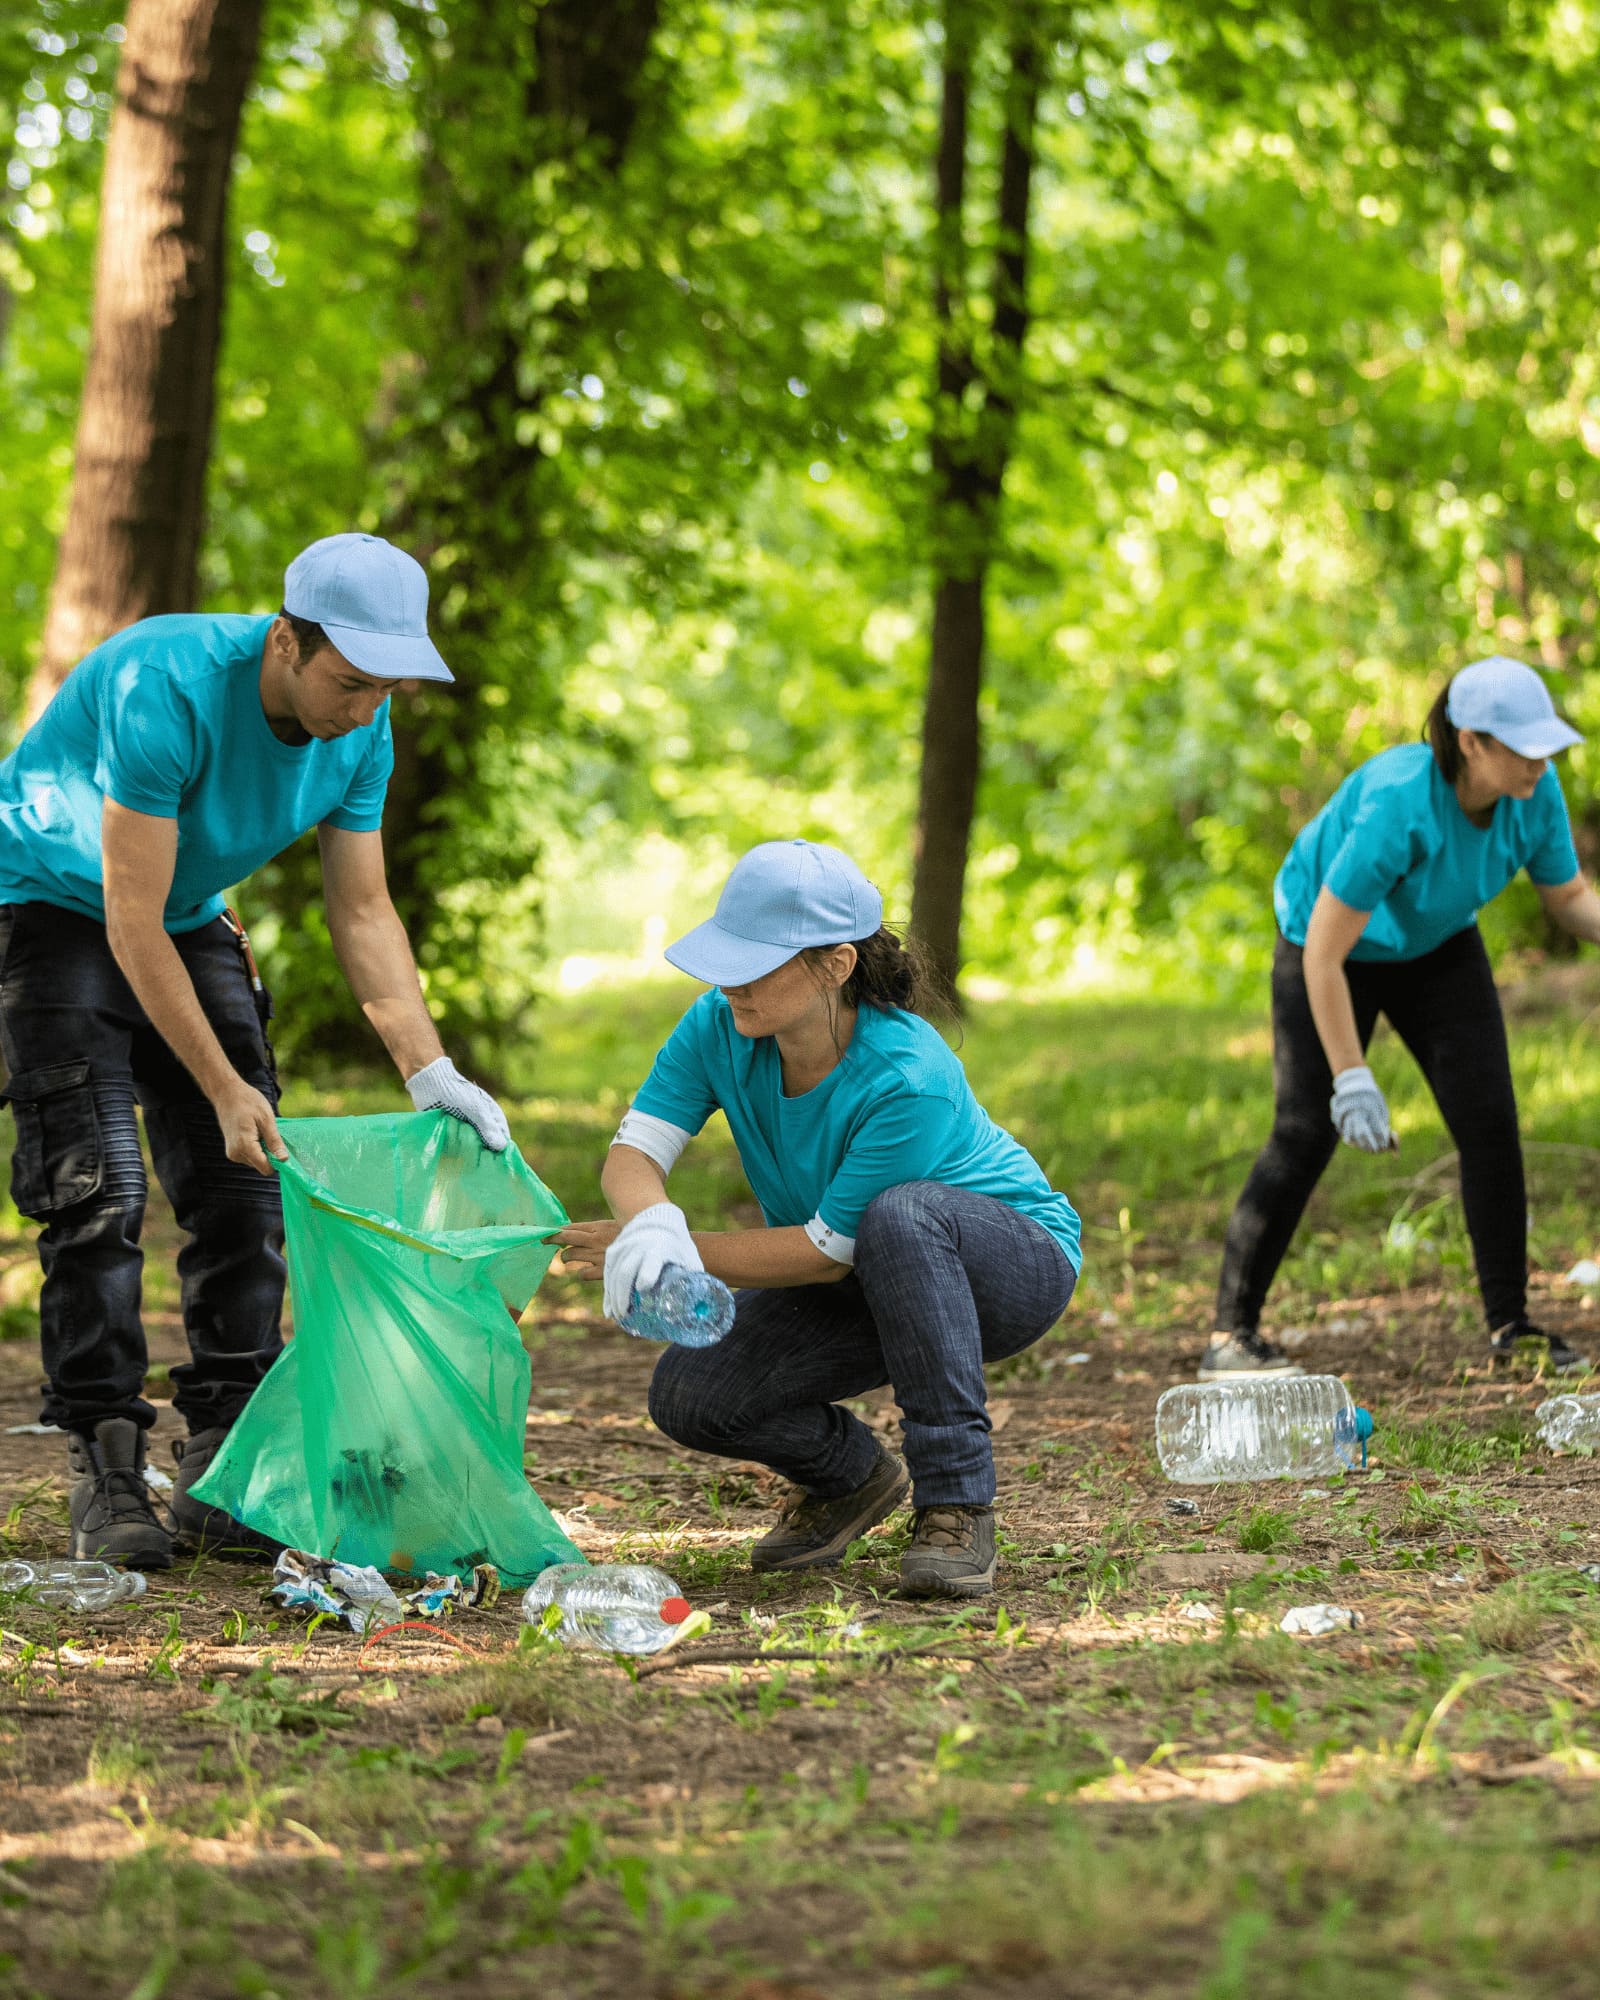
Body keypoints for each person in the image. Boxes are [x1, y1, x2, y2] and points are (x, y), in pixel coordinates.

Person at [0, 534, 510, 1569]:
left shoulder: (362, 733)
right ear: (286, 639)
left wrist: (429, 1068)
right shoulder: (166, 681)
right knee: (96, 1187)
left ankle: (228, 1464)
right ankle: (104, 1458)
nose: (365, 708)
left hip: (181, 908)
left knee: (247, 1182)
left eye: (386, 689)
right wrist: (223, 1082)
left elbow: (363, 910)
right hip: (48, 900)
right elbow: (125, 917)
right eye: (351, 681)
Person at [554, 839, 1081, 1599]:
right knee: (689, 1394)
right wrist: (651, 1226)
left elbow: (824, 1253)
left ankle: (957, 1501)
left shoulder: (908, 1077)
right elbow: (633, 1154)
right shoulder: (720, 1024)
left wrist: (685, 1245)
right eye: (723, 954)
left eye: (753, 960)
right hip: (868, 1273)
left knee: (899, 1217)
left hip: (1007, 1266)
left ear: (834, 966)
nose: (725, 979)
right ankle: (850, 1478)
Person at [1206, 655, 1600, 1381]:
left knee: (1489, 1119)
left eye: (1546, 746)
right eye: (1524, 747)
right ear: (1472, 741)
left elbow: (1568, 897)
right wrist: (1352, 1076)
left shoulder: (1532, 794)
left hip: (1438, 941)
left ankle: (1511, 1325)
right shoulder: (1399, 802)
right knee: (1304, 1129)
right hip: (1327, 944)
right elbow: (1324, 950)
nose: (1542, 764)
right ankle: (1232, 1334)